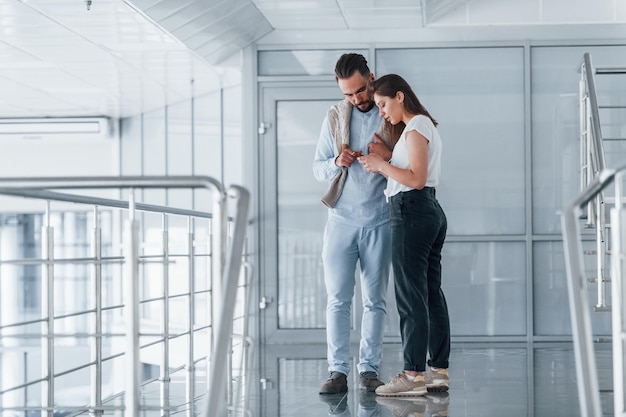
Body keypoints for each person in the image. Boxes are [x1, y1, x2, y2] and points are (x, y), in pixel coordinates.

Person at [358, 74, 451, 397]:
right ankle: (437, 372)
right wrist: (387, 157)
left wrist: (380, 166)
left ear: (400, 96)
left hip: (411, 211)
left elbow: (416, 178)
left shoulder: (416, 126)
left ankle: (412, 375)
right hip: (426, 211)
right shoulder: (417, 130)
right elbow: (411, 170)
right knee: (428, 293)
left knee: (411, 297)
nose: (381, 112)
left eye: (383, 104)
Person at [313, 53, 396, 395]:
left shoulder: (391, 114)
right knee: (338, 300)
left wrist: (386, 156)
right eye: (348, 94)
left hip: (380, 221)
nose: (356, 99)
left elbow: (412, 162)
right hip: (341, 222)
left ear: (371, 78)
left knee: (375, 301)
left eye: (361, 90)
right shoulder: (335, 116)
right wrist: (337, 160)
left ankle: (369, 370)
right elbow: (317, 168)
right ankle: (338, 372)